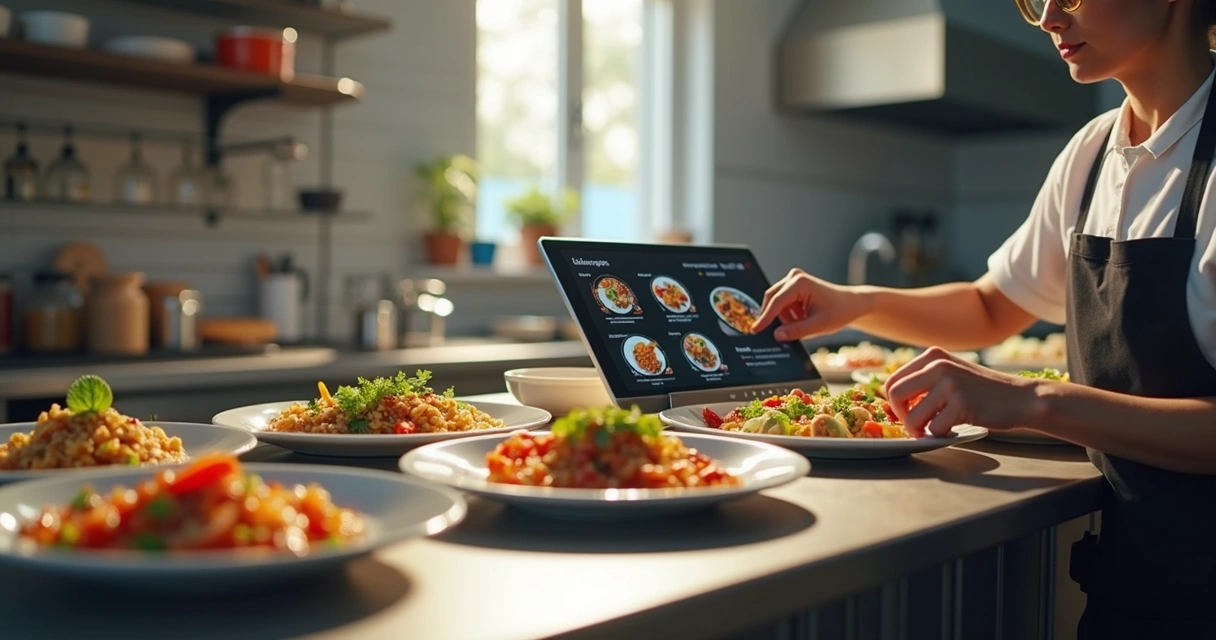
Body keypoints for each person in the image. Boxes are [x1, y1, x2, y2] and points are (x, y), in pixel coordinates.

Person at [751, 0, 1216, 637]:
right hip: (1130, 588)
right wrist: (858, 302)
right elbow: (993, 306)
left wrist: (1034, 400)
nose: (1049, 17)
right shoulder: (1092, 154)